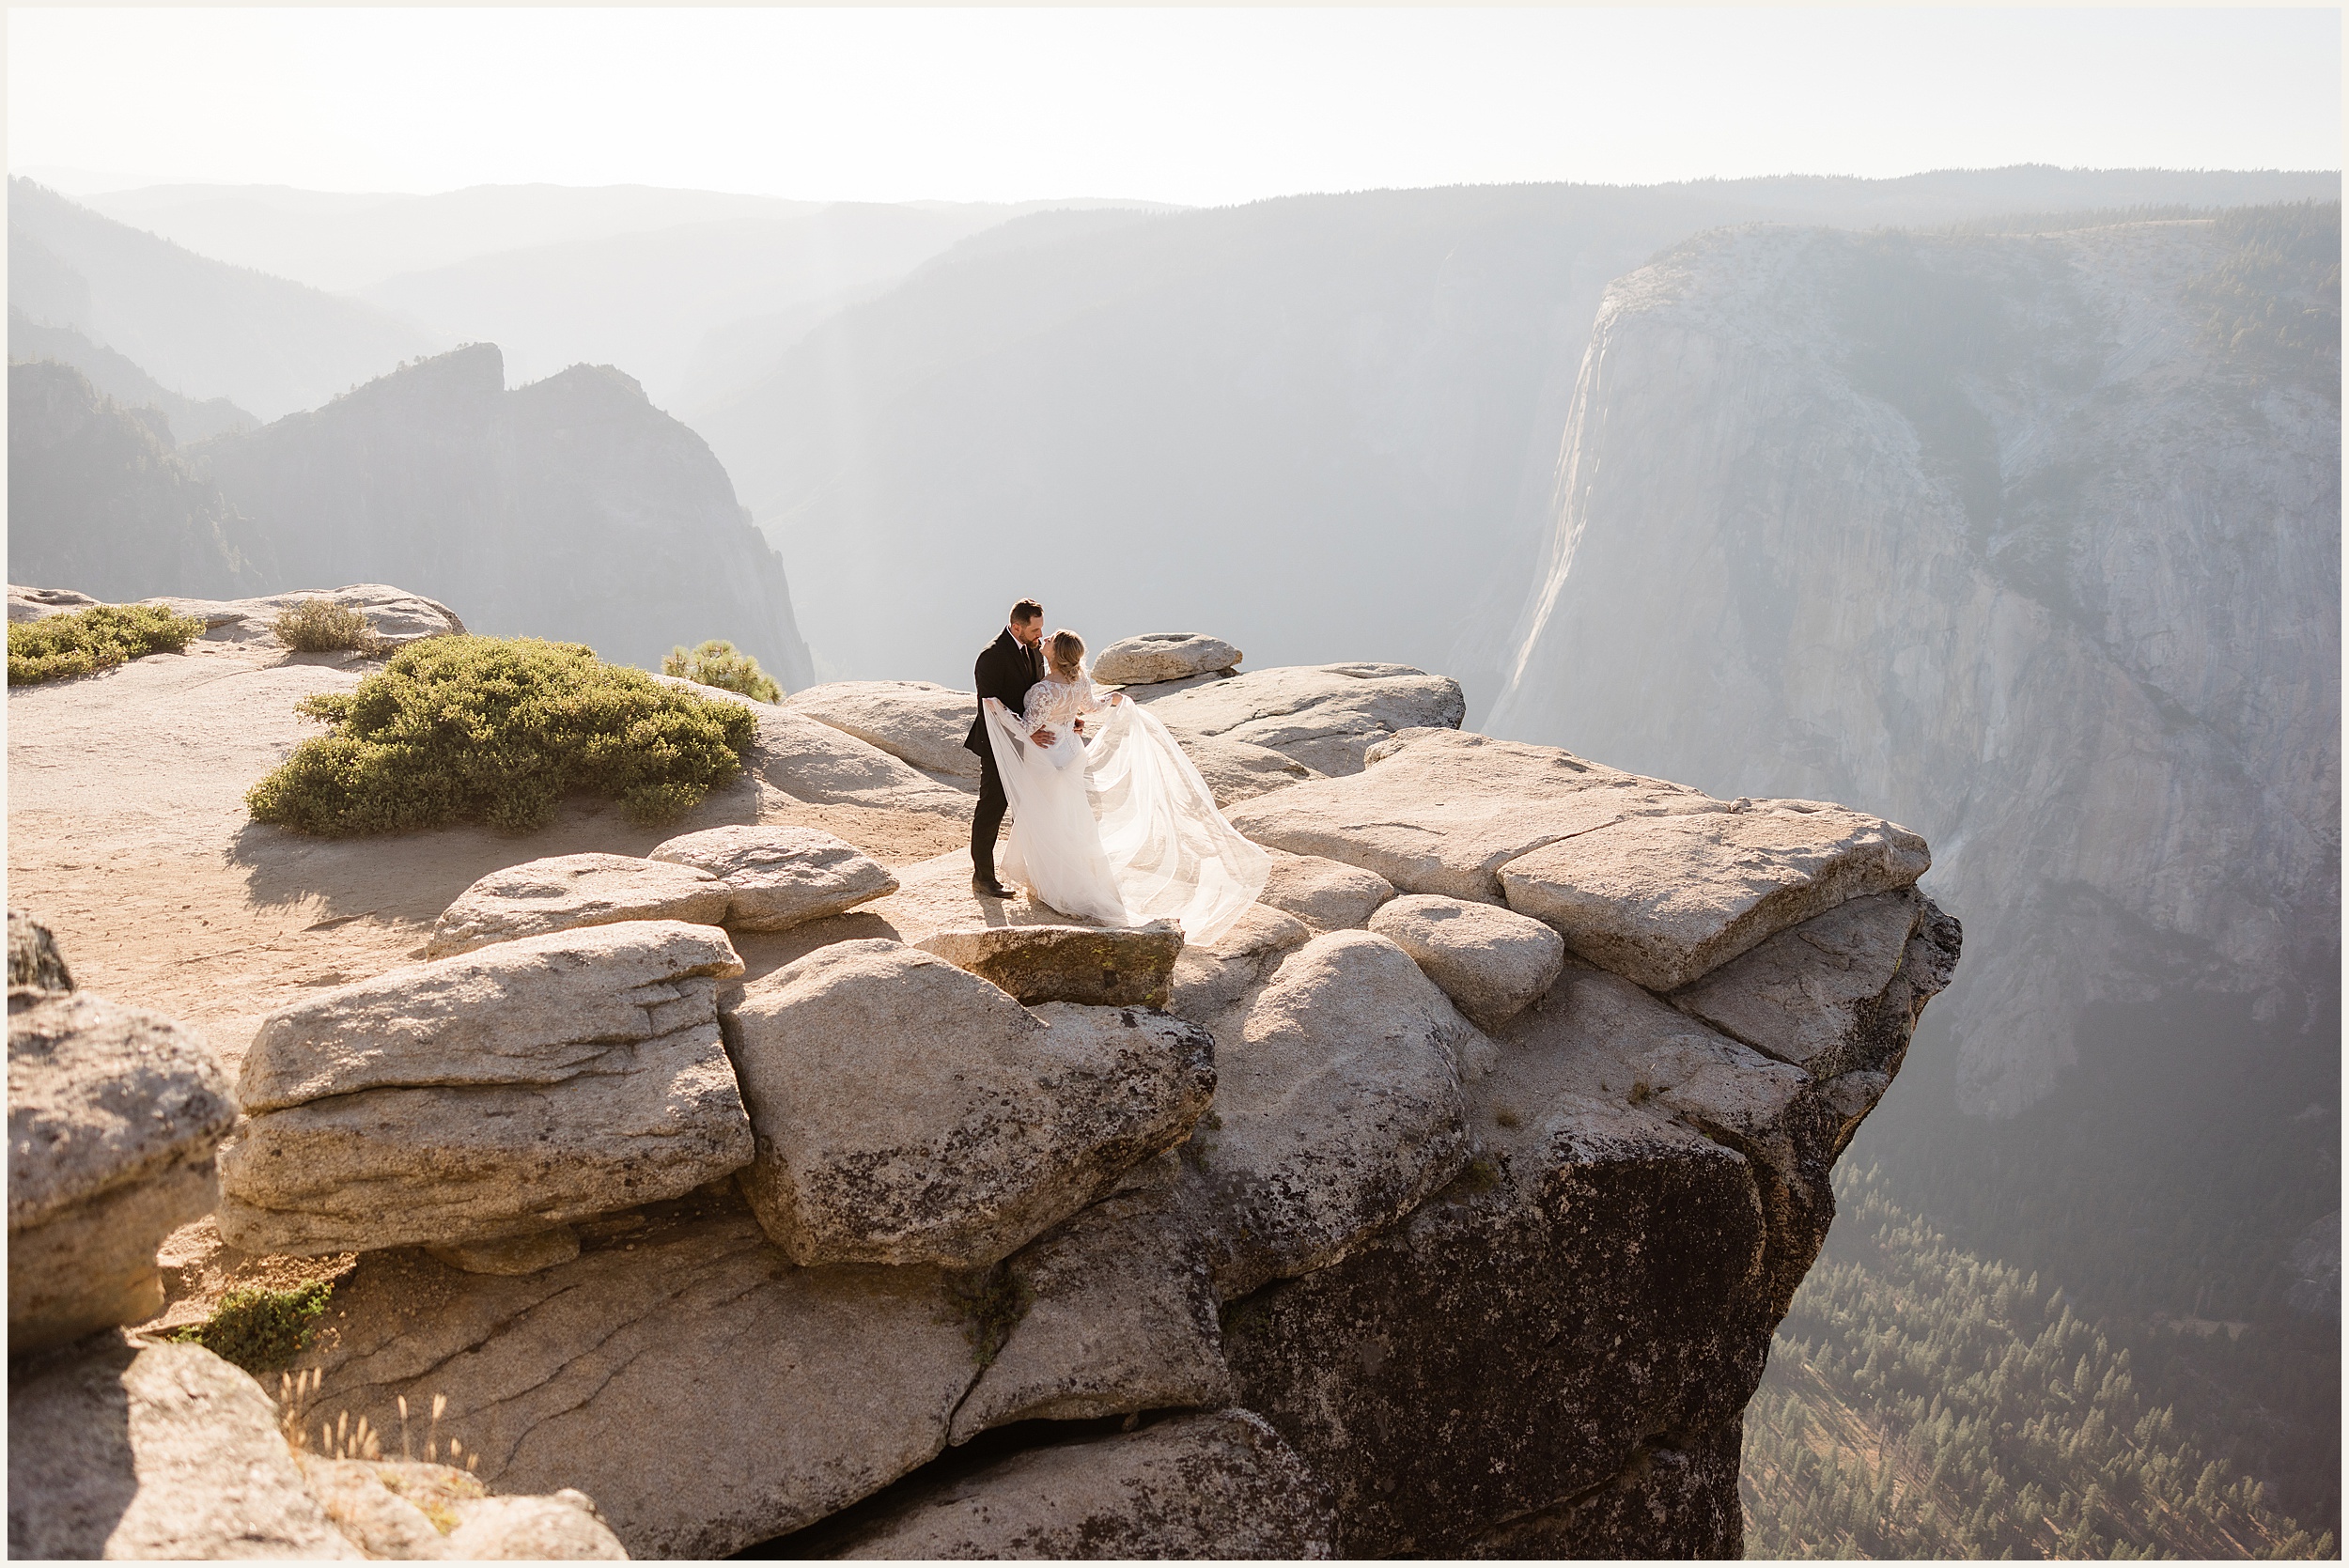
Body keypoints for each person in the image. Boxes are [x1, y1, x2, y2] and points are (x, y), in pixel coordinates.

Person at [979, 627, 1268, 945]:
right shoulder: (1080, 682)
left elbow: (1026, 727)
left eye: (1050, 639)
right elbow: (1091, 707)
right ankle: (1073, 879)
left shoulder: (1043, 691)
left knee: (1047, 817)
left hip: (1047, 756)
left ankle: (1056, 887)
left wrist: (999, 711)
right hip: (1072, 753)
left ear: (1057, 654)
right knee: (1074, 817)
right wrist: (1114, 700)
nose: (1044, 639)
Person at [965, 598, 1048, 897]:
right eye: (1035, 629)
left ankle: (1027, 870)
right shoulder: (991, 656)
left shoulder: (1035, 650)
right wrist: (1027, 733)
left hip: (1029, 745)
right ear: (1017, 627)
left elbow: (1038, 693)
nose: (1041, 635)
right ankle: (983, 878)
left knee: (1027, 808)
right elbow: (993, 708)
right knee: (992, 808)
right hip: (997, 744)